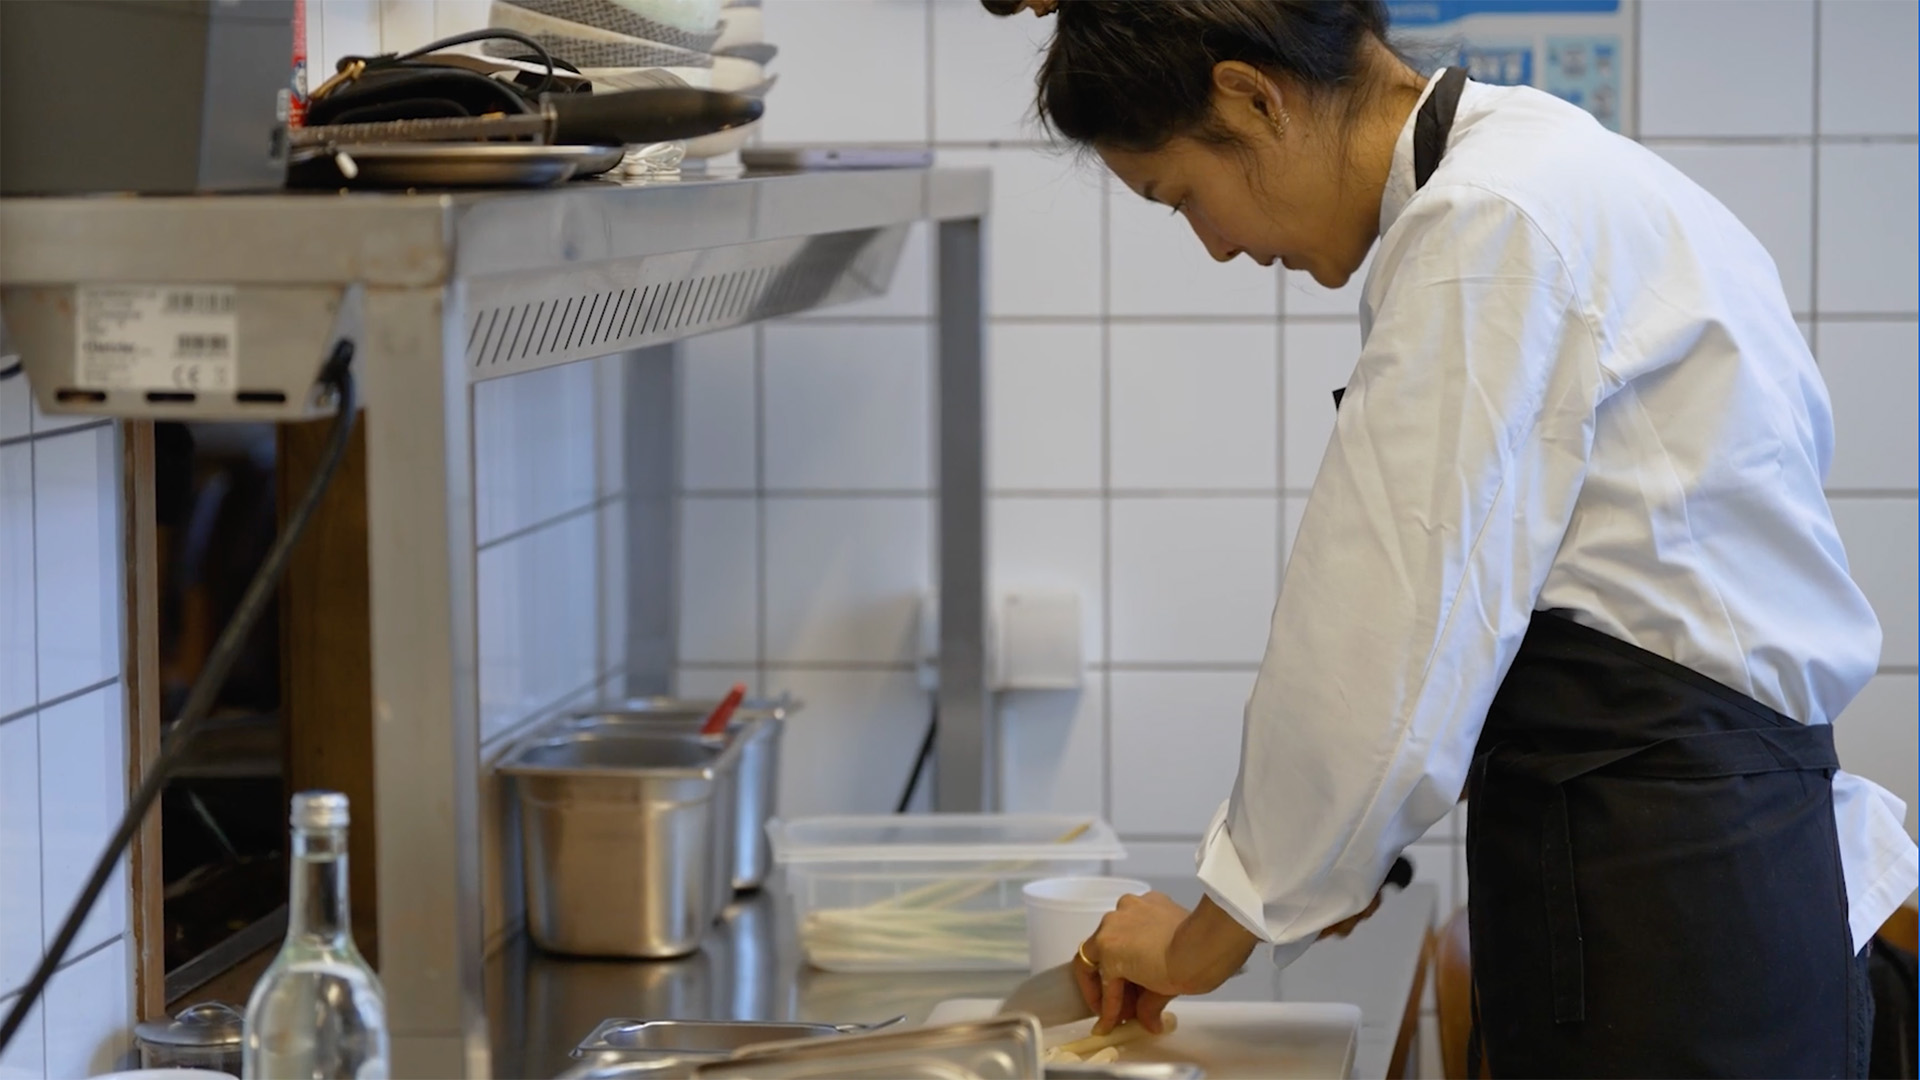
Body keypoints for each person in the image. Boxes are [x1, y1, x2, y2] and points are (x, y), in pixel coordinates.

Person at [981, 1, 1919, 1076]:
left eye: (1182, 194)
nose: (1217, 243)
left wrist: (1204, 939)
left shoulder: (1491, 223)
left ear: (1252, 96)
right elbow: (1542, 614)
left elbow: (1373, 646)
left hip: (1663, 915)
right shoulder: (1546, 173)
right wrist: (1342, 853)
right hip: (1713, 880)